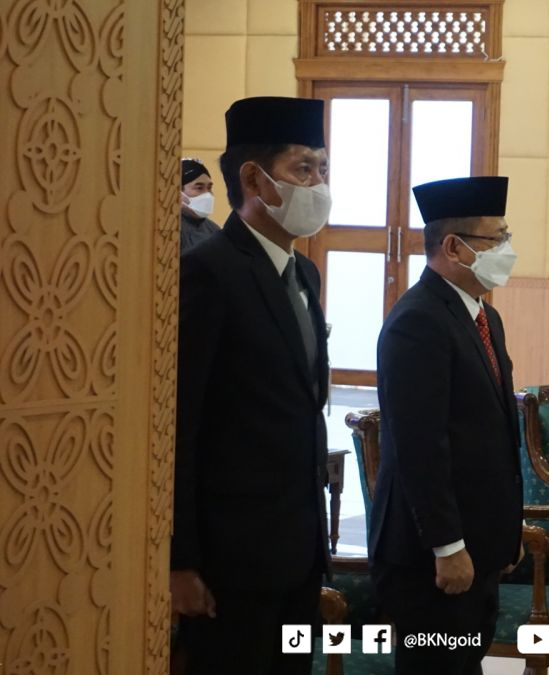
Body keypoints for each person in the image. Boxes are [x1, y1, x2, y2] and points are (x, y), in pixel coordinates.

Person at [172, 96, 333, 674]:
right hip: (231, 560)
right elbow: (180, 425)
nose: (318, 184)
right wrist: (179, 561)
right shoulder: (209, 272)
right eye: (303, 168)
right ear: (254, 179)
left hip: (299, 549)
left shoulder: (304, 272)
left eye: (323, 169)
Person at [370, 176, 524, 675]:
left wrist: (504, 533)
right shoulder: (418, 320)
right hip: (430, 553)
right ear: (454, 247)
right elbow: (420, 447)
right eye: (496, 238)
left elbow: (494, 434)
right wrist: (448, 545)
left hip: (478, 542)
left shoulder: (483, 317)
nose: (507, 249)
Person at [181, 158, 220, 253]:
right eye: (199, 188)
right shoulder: (168, 230)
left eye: (209, 188)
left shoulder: (214, 230)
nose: (207, 194)